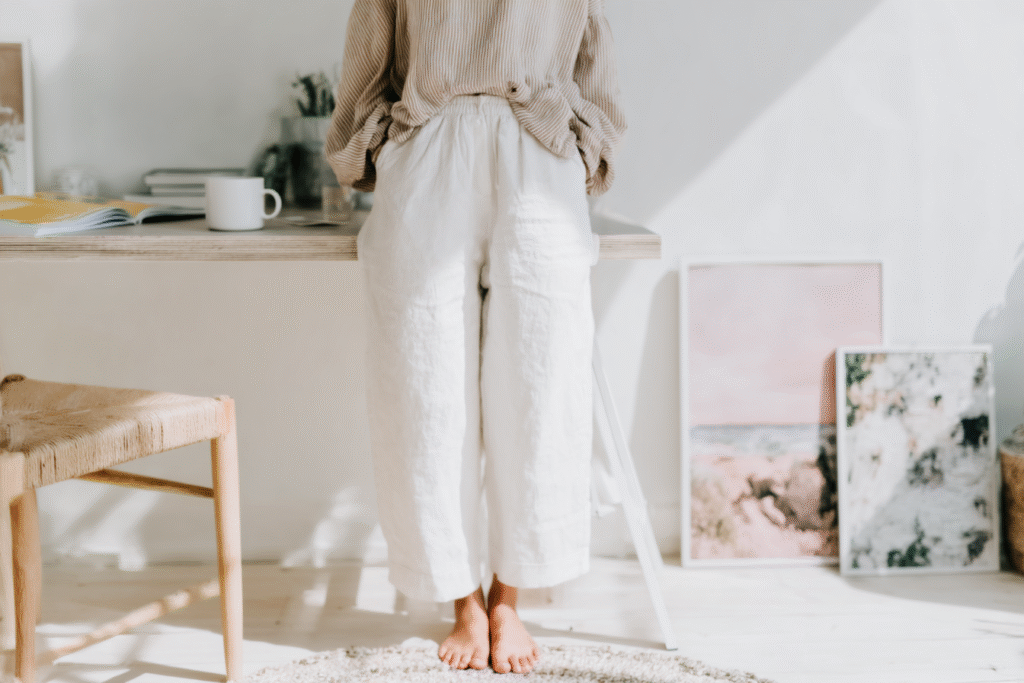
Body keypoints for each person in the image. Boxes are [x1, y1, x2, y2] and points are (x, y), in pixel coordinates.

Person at [325, 0, 625, 674]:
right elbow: (372, 36)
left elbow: (593, 46)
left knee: (542, 379)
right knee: (420, 383)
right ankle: (461, 596)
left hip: (538, 146)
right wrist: (371, 146)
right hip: (431, 143)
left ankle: (508, 595)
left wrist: (585, 149)